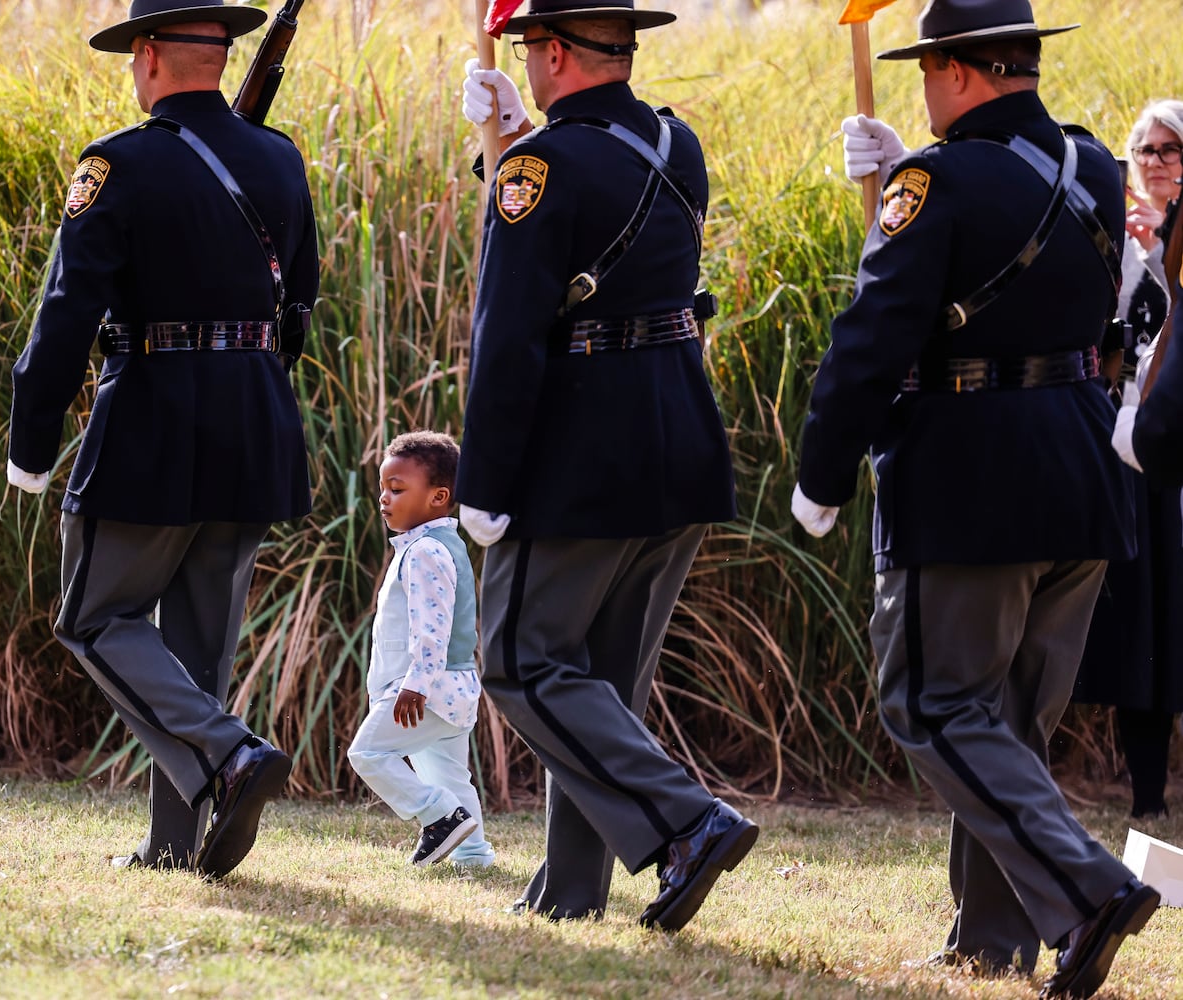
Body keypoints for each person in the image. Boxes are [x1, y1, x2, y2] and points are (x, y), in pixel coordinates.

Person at [794, 0, 1158, 995]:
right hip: (1079, 465)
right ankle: (990, 940)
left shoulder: (932, 180)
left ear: (957, 72)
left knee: (934, 699)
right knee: (1007, 721)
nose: (920, 87)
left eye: (926, 70)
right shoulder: (1092, 164)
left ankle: (1085, 889)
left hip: (967, 471)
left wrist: (817, 475)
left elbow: (871, 340)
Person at [456, 0, 757, 932]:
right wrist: (507, 145)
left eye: (530, 50)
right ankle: (573, 885)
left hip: (584, 447)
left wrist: (484, 485)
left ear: (552, 52)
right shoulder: (679, 144)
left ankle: (687, 821)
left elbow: (509, 337)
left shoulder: (541, 167)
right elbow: (602, 223)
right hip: (676, 433)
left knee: (519, 660)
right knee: (601, 682)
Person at [6, 0, 320, 880]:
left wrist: (31, 443)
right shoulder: (282, 158)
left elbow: (66, 313)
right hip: (256, 416)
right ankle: (176, 842)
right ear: (220, 53)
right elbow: (298, 306)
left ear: (147, 54)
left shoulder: (119, 163)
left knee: (94, 618)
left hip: (151, 413)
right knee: (196, 648)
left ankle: (230, 754)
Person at [1074, 101, 1183, 820]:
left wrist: (1162, 264)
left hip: (1177, 452)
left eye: (1171, 150)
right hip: (1125, 452)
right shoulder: (1111, 235)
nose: (1155, 162)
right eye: (1144, 149)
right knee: (1136, 622)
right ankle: (1145, 797)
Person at [346, 431, 496, 869]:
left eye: (397, 490)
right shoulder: (437, 545)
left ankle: (440, 817)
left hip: (426, 688)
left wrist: (415, 685)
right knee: (449, 774)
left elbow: (434, 629)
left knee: (368, 753)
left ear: (438, 496)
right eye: (382, 489)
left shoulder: (426, 551)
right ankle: (472, 854)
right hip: (453, 689)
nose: (384, 499)